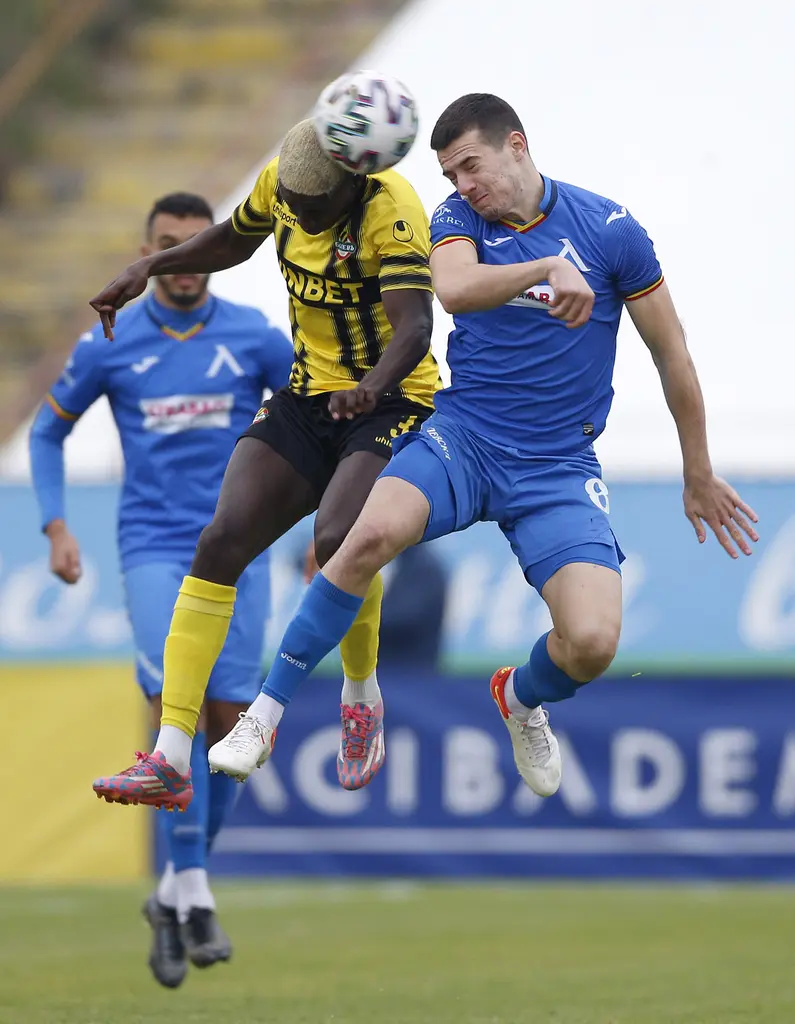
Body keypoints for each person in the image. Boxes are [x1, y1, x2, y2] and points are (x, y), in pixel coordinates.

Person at [206, 93, 760, 796]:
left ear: (516, 145)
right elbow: (455, 289)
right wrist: (543, 269)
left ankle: (521, 697)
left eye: (471, 165)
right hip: (463, 440)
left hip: (557, 467)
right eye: (450, 174)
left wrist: (697, 473)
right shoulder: (457, 220)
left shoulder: (610, 230)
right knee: (362, 536)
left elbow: (671, 353)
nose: (463, 184)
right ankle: (263, 716)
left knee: (592, 644)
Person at [89, 118, 438, 804]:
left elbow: (416, 326)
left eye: (313, 207)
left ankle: (361, 697)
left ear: (349, 184)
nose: (299, 217)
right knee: (220, 541)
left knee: (337, 542)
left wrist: (370, 388)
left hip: (391, 400)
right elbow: (233, 238)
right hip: (308, 397)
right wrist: (150, 267)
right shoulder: (284, 181)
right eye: (292, 206)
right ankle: (169, 756)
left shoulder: (392, 209)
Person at [29, 191, 294, 988]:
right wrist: (55, 526)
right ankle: (198, 893)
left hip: (241, 549)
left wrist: (325, 522)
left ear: (214, 250)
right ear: (147, 253)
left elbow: (315, 423)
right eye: (166, 244)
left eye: (194, 243)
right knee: (175, 707)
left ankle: (173, 890)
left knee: (234, 732)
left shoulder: (254, 337)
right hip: (154, 548)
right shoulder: (112, 341)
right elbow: (47, 430)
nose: (181, 260)